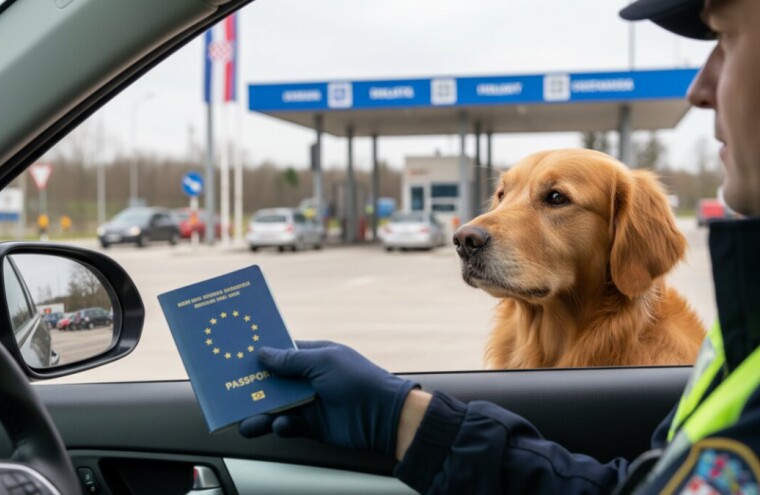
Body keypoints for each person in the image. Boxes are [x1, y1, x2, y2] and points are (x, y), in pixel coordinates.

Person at [240, 0, 760, 493]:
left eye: (554, 199)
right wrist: (398, 417)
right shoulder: (736, 349)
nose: (699, 87)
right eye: (504, 194)